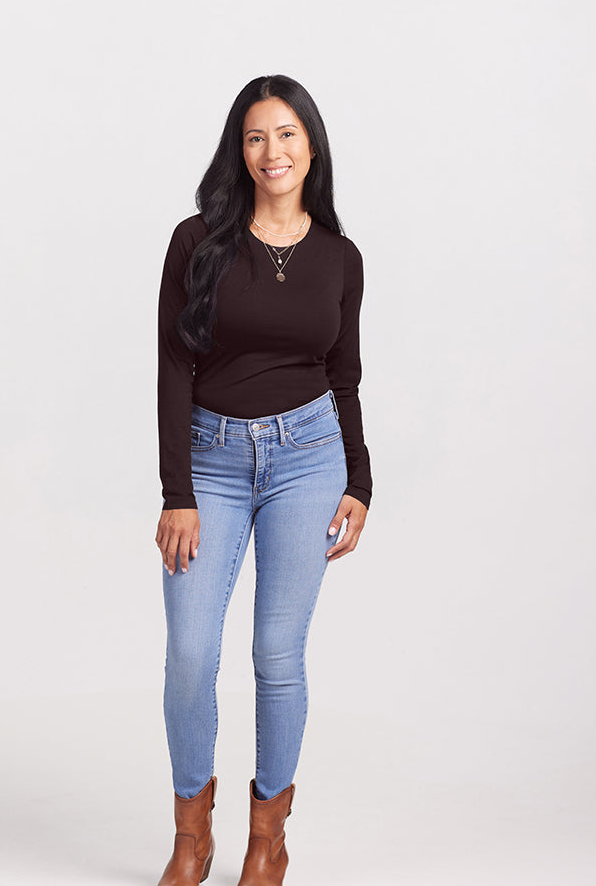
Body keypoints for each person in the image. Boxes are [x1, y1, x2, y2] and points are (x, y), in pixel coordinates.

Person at [154, 74, 372, 886]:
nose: (271, 151)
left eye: (285, 134)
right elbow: (174, 364)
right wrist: (176, 490)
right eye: (255, 137)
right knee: (189, 652)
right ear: (238, 152)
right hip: (209, 459)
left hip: (309, 458)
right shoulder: (197, 240)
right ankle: (191, 835)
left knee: (278, 653)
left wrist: (360, 479)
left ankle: (268, 841)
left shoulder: (341, 259)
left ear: (310, 145)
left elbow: (344, 373)